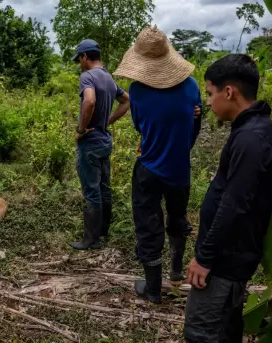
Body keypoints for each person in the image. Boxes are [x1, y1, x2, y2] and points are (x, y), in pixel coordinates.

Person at [184, 54, 272, 343]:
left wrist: (204, 258)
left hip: (225, 261)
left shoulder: (252, 138)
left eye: (211, 93)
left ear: (229, 92)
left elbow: (234, 204)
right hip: (229, 256)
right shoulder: (250, 130)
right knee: (226, 329)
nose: (209, 101)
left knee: (201, 331)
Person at [113, 26, 203, 304]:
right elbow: (194, 126)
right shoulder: (192, 87)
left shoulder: (137, 90)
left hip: (149, 168)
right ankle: (176, 274)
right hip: (180, 169)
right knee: (177, 219)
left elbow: (140, 126)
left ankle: (153, 289)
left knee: (148, 225)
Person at [70, 39, 131, 251]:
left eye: (79, 59)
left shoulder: (87, 76)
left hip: (90, 144)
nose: (79, 63)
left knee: (91, 191)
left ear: (85, 57)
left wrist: (80, 130)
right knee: (105, 188)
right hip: (105, 142)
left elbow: (89, 101)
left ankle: (91, 239)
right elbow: (127, 100)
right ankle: (103, 231)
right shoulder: (108, 78)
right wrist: (107, 122)